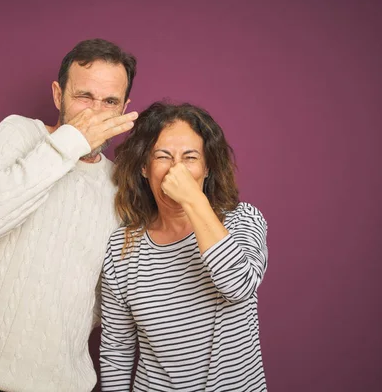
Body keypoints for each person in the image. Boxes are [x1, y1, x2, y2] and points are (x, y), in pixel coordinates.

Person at [0, 38, 138, 392]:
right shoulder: (16, 133)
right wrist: (72, 142)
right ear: (58, 95)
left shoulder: (118, 185)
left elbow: (108, 298)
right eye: (83, 97)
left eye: (110, 102)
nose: (95, 113)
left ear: (124, 108)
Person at [100, 102, 268, 391]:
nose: (175, 170)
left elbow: (238, 286)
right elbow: (117, 349)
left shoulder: (244, 220)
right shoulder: (121, 247)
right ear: (144, 167)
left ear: (207, 168)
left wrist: (192, 200)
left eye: (190, 157)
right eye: (163, 156)